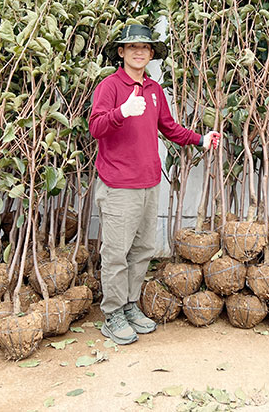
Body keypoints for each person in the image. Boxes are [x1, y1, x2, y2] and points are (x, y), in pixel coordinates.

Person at [88, 24, 220, 345]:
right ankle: (113, 314)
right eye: (132, 47)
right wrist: (122, 111)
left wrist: (200, 139)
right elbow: (95, 127)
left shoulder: (154, 89)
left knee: (143, 249)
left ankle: (130, 305)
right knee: (116, 253)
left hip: (149, 183)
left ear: (151, 55)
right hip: (119, 184)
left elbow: (169, 127)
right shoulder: (110, 87)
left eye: (145, 48)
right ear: (121, 52)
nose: (139, 52)